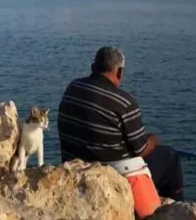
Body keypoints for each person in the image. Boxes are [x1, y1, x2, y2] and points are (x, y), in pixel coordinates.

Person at [57, 46, 184, 218]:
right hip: (114, 173)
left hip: (74, 164)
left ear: (93, 67)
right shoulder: (124, 103)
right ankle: (176, 211)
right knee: (170, 157)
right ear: (120, 72)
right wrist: (153, 139)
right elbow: (141, 149)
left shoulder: (72, 88)